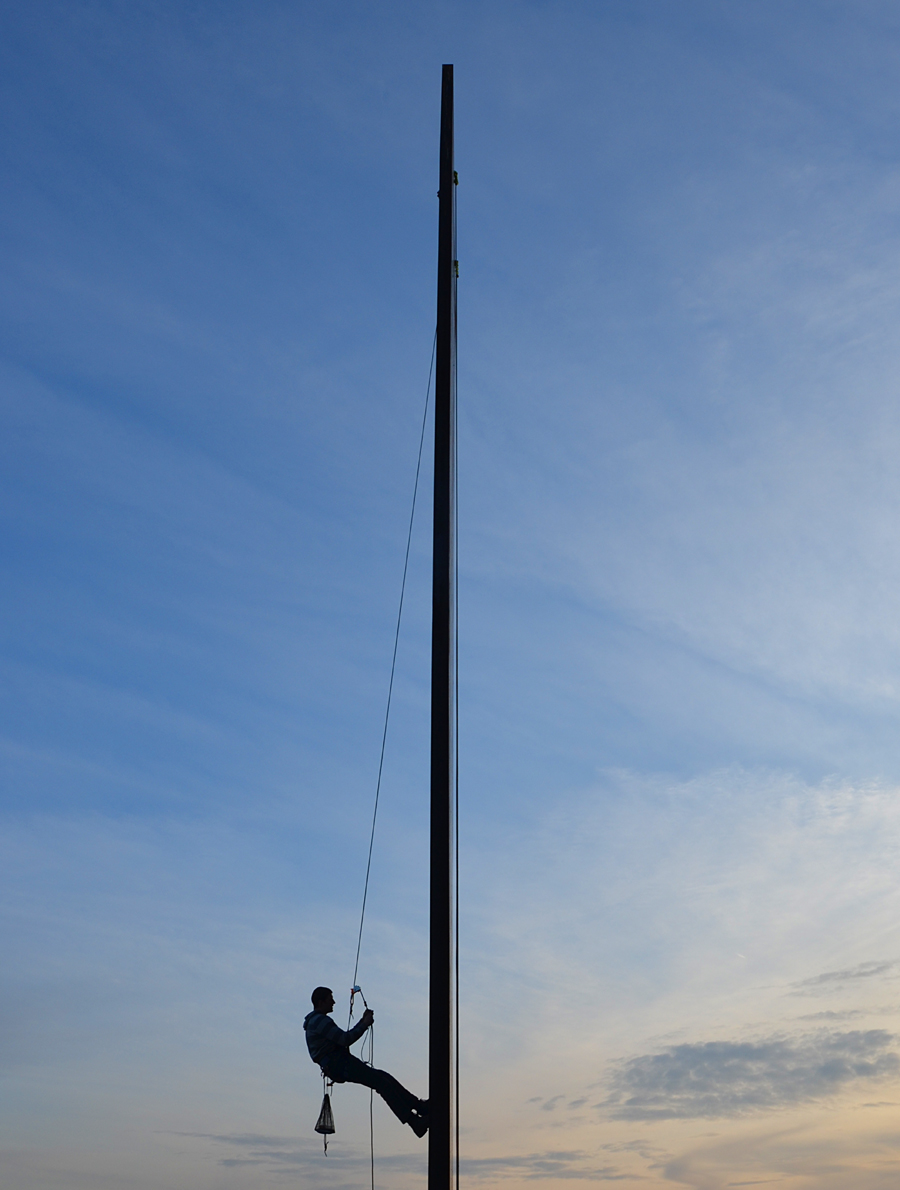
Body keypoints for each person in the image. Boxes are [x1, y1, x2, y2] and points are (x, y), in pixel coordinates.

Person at [304, 986, 429, 1138]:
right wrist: (364, 1023)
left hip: (338, 1064)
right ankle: (415, 1120)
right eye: (330, 999)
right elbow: (345, 1039)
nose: (334, 1002)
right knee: (381, 1082)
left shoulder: (316, 1021)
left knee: (382, 1078)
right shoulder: (319, 1021)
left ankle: (419, 1109)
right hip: (338, 1065)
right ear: (321, 1002)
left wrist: (363, 1022)